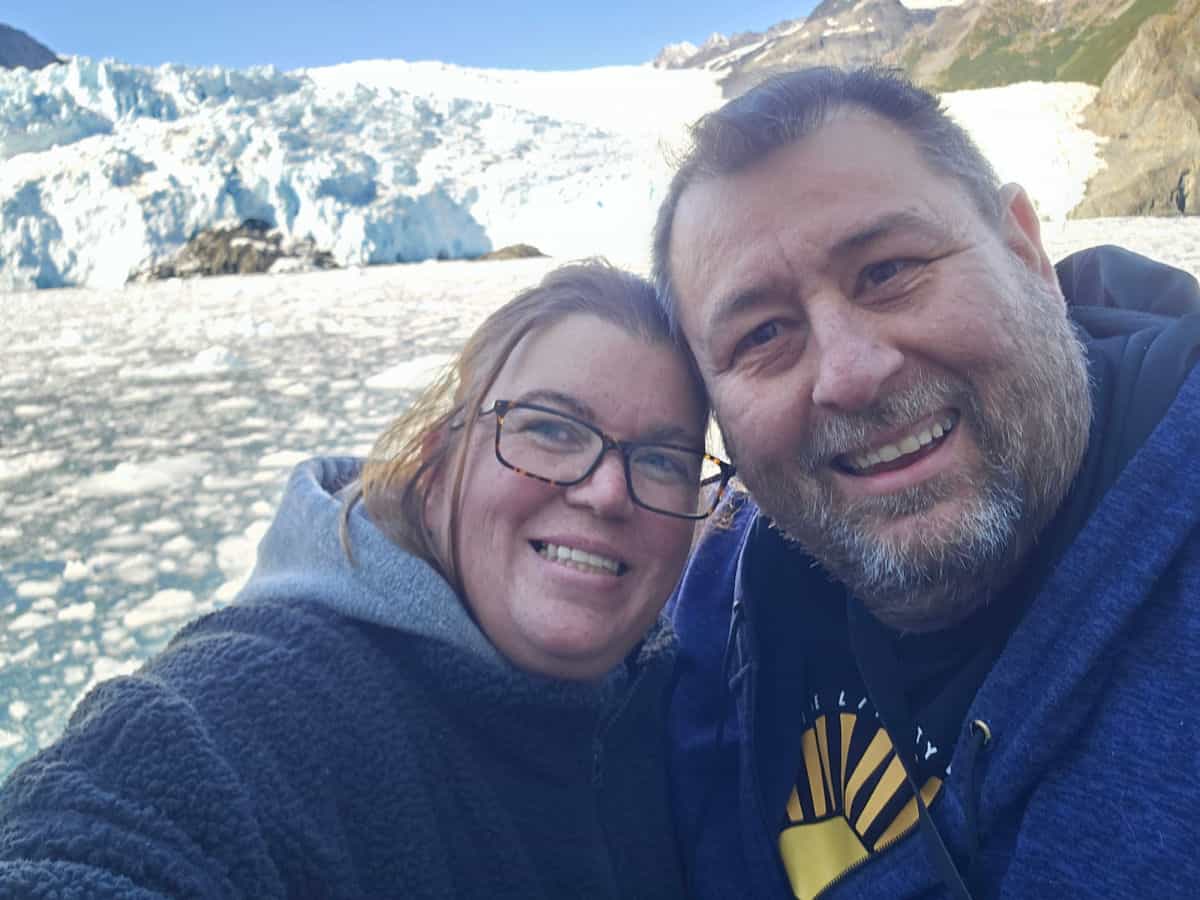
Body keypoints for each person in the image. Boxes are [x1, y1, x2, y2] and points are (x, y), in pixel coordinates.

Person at [0, 261, 736, 899]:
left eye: (664, 460)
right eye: (548, 428)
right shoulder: (273, 702)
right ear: (435, 460)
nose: (607, 492)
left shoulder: (673, 701)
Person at [652, 66, 1200, 899]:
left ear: (1025, 250)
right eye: (762, 332)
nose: (849, 373)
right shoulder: (722, 597)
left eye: (888, 271)